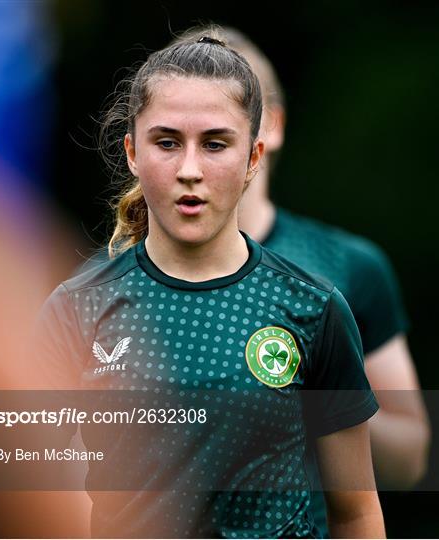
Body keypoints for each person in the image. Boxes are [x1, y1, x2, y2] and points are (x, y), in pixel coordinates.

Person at [33, 27, 385, 538]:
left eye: (216, 143)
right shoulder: (77, 310)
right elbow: (31, 506)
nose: (190, 170)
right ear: (133, 152)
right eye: (167, 142)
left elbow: (356, 513)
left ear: (253, 159)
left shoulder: (315, 308)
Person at [173, 23, 431, 535]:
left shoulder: (345, 268)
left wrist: (311, 401)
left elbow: (410, 459)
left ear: (272, 128)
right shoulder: (110, 283)